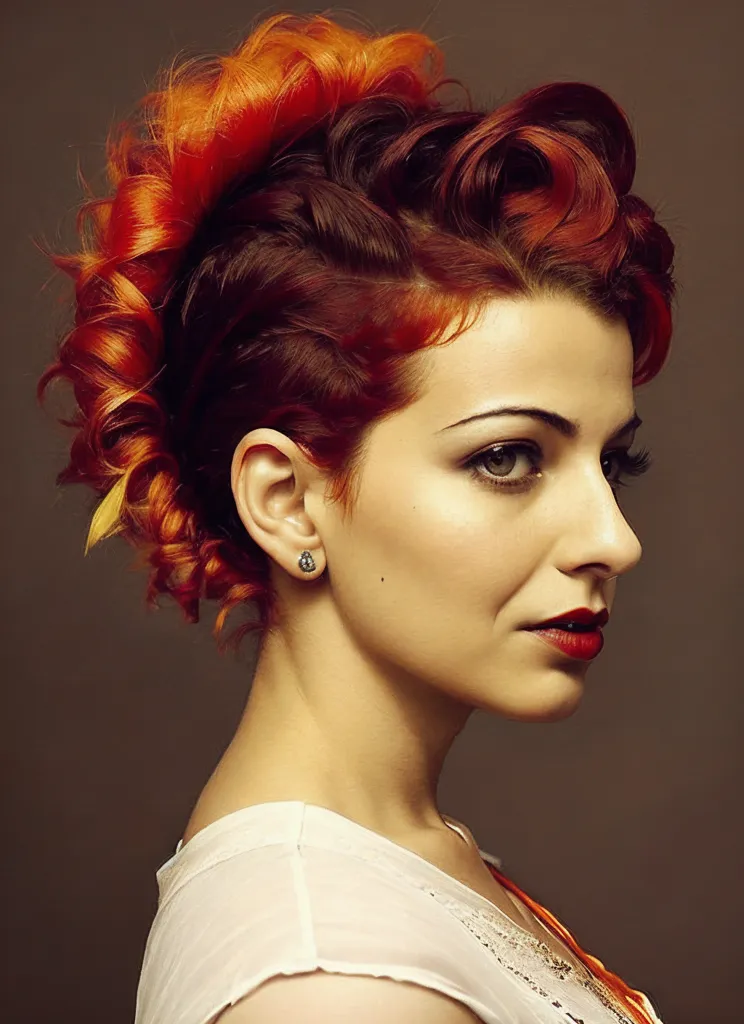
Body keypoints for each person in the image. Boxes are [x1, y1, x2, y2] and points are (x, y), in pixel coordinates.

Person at [36, 11, 675, 1024]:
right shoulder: (330, 980)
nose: (613, 538)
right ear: (287, 498)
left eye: (612, 459)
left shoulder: (403, 859)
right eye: (508, 457)